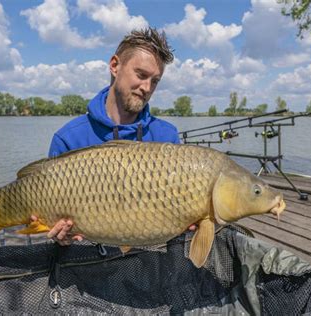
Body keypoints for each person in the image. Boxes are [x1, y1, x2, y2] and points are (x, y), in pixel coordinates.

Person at [36, 27, 195, 244]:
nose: (147, 87)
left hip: (149, 260)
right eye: (141, 75)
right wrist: (59, 237)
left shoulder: (167, 136)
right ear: (114, 66)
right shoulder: (68, 138)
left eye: (155, 81)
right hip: (87, 259)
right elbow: (48, 218)